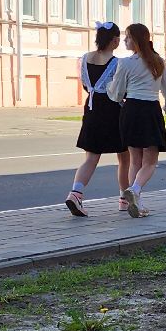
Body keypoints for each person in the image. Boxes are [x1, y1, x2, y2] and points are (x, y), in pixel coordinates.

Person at [106, 23, 166, 218]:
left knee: (135, 161)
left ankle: (136, 202)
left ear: (136, 40)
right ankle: (136, 190)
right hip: (150, 111)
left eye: (128, 37)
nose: (124, 41)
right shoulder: (158, 61)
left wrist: (110, 88)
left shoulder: (125, 63)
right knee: (150, 161)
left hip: (130, 111)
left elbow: (117, 92)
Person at [64, 22, 131, 217]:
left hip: (92, 109)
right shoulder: (117, 63)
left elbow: (85, 85)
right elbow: (119, 90)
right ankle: (124, 199)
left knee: (91, 156)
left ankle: (75, 193)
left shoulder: (85, 58)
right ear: (115, 40)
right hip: (112, 111)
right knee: (124, 156)